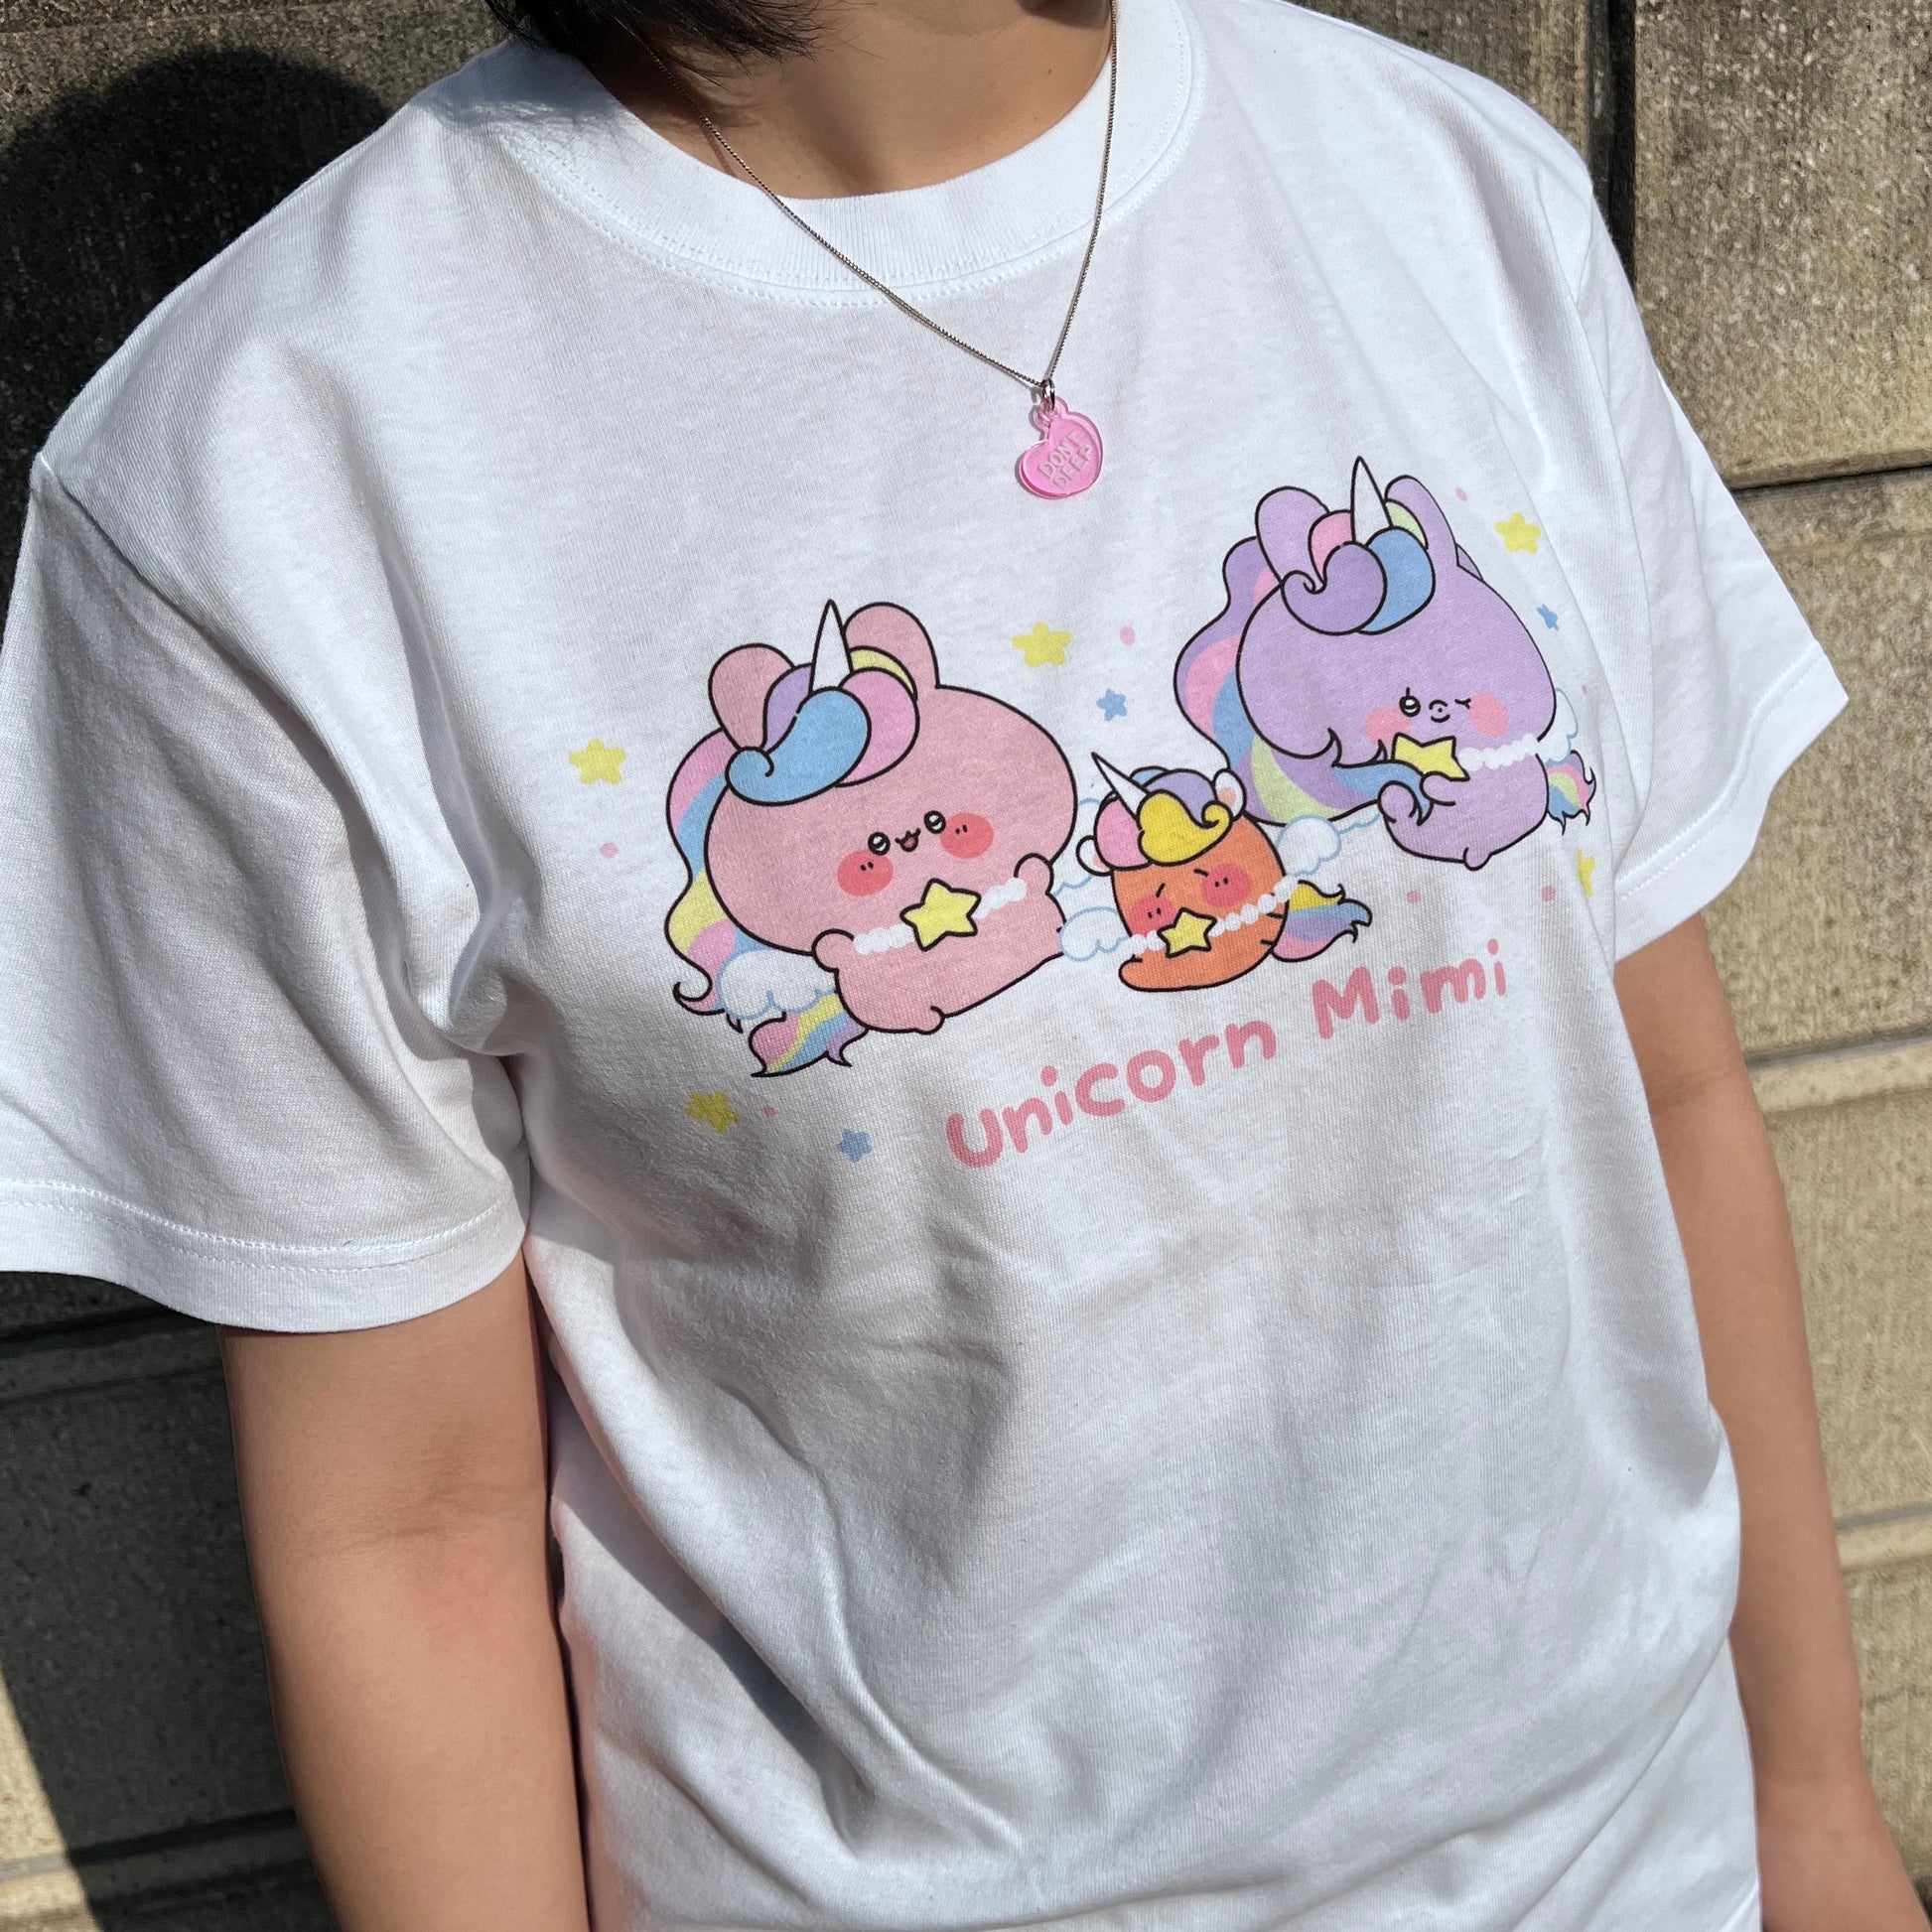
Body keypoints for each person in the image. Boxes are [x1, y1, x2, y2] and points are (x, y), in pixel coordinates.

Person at [0, 0, 1923, 1924]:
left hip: (1643, 1865)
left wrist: (1814, 1811)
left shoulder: (1445, 184)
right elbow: (406, 1525)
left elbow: (1666, 1085)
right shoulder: (264, 462)